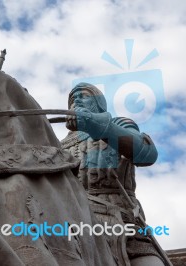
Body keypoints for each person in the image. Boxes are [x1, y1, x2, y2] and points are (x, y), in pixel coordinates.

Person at [61, 82, 165, 266]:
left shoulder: (117, 124)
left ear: (98, 103)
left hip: (122, 222)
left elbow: (147, 154)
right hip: (73, 224)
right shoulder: (58, 147)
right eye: (72, 99)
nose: (76, 99)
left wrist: (98, 125)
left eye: (84, 95)